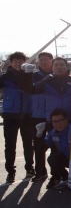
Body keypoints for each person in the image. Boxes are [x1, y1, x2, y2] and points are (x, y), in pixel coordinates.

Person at [20, 57, 71, 126]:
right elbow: (30, 90)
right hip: (52, 121)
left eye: (62, 65)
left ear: (66, 67)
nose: (59, 67)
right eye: (56, 65)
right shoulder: (47, 81)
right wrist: (28, 74)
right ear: (52, 68)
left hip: (70, 120)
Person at [0, 52, 34, 183]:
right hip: (10, 115)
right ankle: (10, 172)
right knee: (10, 145)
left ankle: (30, 168)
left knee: (28, 144)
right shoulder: (5, 77)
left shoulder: (29, 75)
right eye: (15, 61)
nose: (18, 63)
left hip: (27, 114)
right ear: (11, 63)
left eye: (21, 61)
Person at [36, 108, 71, 190]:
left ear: (66, 120)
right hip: (68, 159)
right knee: (52, 158)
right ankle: (65, 177)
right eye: (54, 121)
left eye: (60, 120)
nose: (58, 124)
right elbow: (41, 149)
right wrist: (39, 134)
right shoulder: (53, 133)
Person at [30, 52, 54, 182]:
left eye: (46, 60)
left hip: (53, 115)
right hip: (37, 114)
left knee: (55, 144)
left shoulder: (57, 76)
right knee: (38, 145)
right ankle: (40, 171)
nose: (43, 62)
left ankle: (57, 173)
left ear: (52, 61)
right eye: (41, 60)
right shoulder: (33, 76)